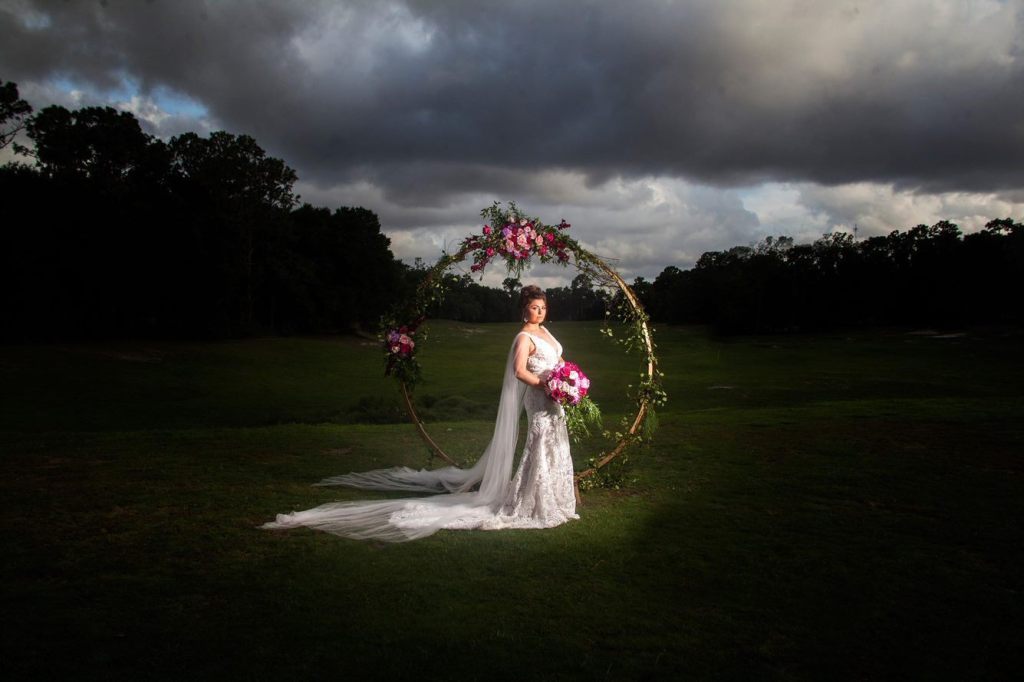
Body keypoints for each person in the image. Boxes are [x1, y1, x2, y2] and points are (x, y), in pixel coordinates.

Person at [261, 284, 579, 541]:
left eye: (543, 307)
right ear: (523, 309)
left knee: (556, 445)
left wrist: (567, 382)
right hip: (539, 397)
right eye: (534, 307)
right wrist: (546, 385)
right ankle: (533, 501)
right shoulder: (524, 336)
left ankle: (554, 498)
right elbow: (519, 371)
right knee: (539, 445)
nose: (539, 312)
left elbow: (558, 363)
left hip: (553, 397)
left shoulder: (546, 332)